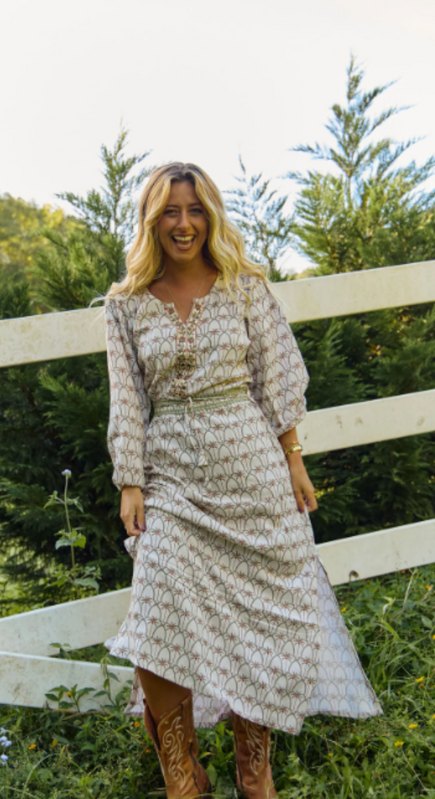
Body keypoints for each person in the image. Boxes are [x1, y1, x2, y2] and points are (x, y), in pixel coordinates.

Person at [102, 162, 383, 799]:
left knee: (263, 622)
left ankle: (253, 772)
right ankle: (182, 774)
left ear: (211, 216)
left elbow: (275, 373)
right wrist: (130, 478)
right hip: (171, 475)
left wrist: (293, 456)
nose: (183, 224)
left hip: (253, 470)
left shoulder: (243, 287)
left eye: (195, 209)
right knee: (155, 609)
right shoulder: (123, 307)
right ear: (152, 221)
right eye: (170, 212)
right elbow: (126, 397)